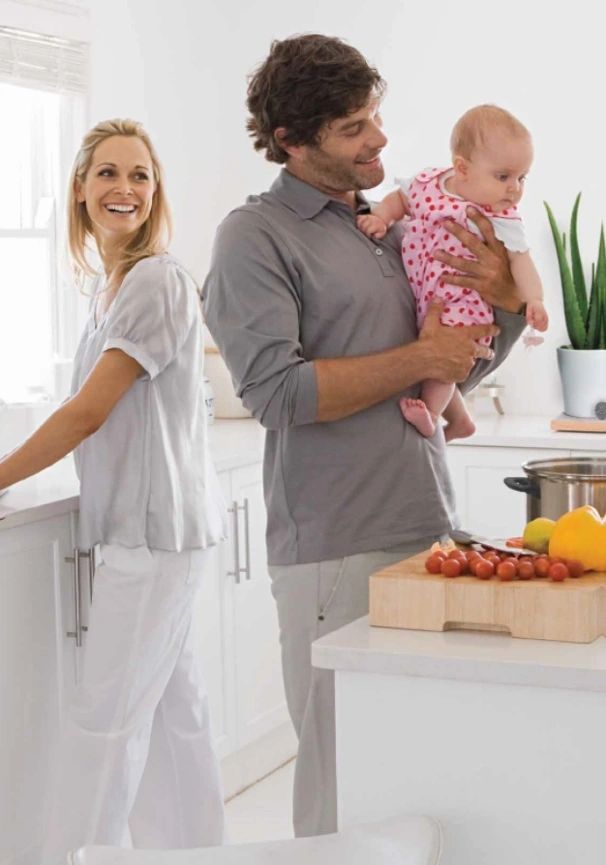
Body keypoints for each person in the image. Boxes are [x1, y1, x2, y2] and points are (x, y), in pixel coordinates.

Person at [203, 34, 527, 838]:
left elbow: (454, 370)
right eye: (353, 127)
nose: (379, 137)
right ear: (292, 141)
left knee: (420, 768)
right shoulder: (257, 237)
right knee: (342, 779)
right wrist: (421, 354)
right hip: (335, 548)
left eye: (375, 116)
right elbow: (277, 392)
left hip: (425, 526)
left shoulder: (383, 226)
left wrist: (504, 308)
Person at [0, 119, 227, 863]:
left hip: (152, 535)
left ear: (155, 193)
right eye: (106, 173)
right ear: (80, 190)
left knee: (106, 722)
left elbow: (88, 410)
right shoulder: (109, 286)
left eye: (139, 175)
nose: (123, 188)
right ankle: (195, 853)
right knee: (171, 716)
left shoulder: (156, 280)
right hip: (154, 532)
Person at [357, 104, 549, 442]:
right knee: (431, 346)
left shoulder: (502, 217)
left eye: (522, 178)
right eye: (503, 176)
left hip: (464, 301)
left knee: (446, 355)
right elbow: (400, 199)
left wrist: (534, 299)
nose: (515, 189)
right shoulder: (429, 183)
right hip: (425, 294)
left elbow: (522, 261)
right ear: (462, 168)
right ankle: (462, 421)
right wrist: (382, 218)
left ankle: (432, 413)